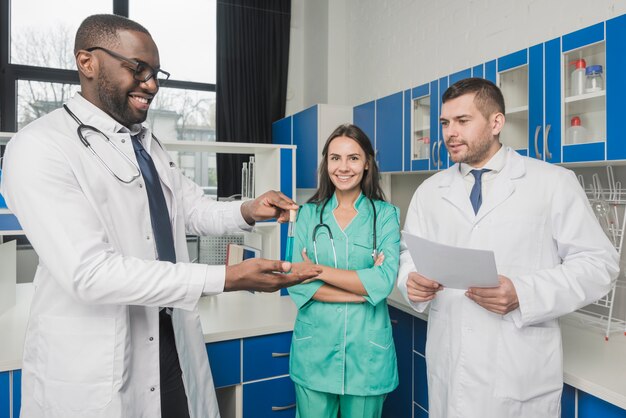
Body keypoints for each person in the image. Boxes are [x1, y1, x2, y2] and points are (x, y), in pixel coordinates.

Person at [0, 14, 321, 418]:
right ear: (87, 62)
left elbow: (186, 209)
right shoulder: (39, 147)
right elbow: (89, 273)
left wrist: (247, 209)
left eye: (155, 73)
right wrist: (224, 278)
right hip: (98, 363)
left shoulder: (146, 143)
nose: (151, 85)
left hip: (169, 343)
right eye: (138, 69)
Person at [397, 77, 619, 418]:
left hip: (518, 372)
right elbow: (410, 255)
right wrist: (410, 280)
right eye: (445, 122)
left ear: (496, 122)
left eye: (462, 121)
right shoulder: (430, 191)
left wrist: (524, 293)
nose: (449, 133)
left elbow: (599, 264)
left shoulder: (552, 183)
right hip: (450, 367)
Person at [288, 124, 400, 418]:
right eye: (335, 158)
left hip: (366, 355)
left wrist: (318, 270)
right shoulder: (307, 215)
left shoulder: (385, 216)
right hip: (315, 351)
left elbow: (384, 280)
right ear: (327, 164)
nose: (343, 167)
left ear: (367, 163)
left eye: (353, 158)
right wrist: (361, 293)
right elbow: (296, 283)